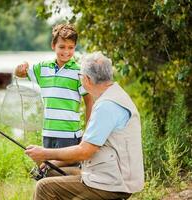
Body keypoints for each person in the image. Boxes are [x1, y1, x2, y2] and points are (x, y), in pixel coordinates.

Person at [25, 52, 144, 200]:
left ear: (87, 79)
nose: (79, 78)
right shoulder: (114, 95)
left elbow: (84, 152)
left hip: (113, 183)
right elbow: (89, 148)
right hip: (106, 174)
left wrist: (45, 153)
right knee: (50, 171)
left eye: (80, 75)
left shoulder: (107, 106)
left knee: (44, 187)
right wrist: (52, 162)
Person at [15, 24, 93, 149]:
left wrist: (88, 132)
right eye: (62, 47)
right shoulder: (42, 68)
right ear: (53, 46)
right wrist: (20, 67)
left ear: (75, 47)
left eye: (70, 47)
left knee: (65, 168)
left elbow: (89, 102)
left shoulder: (80, 72)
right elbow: (20, 74)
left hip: (69, 134)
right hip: (48, 132)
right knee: (48, 167)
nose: (66, 52)